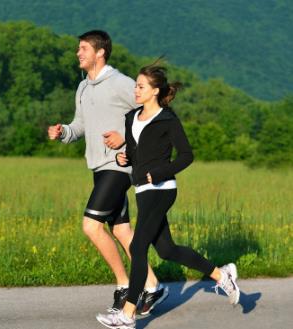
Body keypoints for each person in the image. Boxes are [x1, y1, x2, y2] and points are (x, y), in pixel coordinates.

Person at [96, 61, 240, 329]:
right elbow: (138, 155)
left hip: (162, 190)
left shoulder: (167, 119)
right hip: (142, 189)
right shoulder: (131, 118)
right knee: (166, 250)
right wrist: (124, 157)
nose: (135, 90)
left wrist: (162, 172)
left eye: (140, 86)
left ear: (154, 91)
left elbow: (186, 155)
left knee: (138, 247)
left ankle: (127, 315)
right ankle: (222, 275)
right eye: (136, 86)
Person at [47, 30, 166, 314]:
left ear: (100, 52)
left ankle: (125, 284)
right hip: (98, 167)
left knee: (91, 226)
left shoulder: (121, 83)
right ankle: (152, 285)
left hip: (119, 166)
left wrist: (126, 139)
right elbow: (80, 126)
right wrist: (64, 131)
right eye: (79, 48)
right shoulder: (83, 88)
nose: (78, 53)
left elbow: (152, 114)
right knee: (122, 230)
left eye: (84, 48)